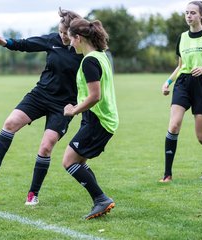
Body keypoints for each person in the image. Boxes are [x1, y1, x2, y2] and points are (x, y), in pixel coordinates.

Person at [0, 8, 83, 205]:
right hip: (40, 95)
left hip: (64, 105)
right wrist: (8, 43)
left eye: (65, 33)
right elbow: (28, 44)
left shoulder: (84, 50)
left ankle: (33, 194)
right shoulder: (53, 40)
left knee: (46, 146)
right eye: (59, 32)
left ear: (75, 33)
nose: (61, 36)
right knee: (10, 123)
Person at [63, 18, 118, 220]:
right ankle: (99, 200)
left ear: (79, 38)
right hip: (98, 118)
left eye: (71, 39)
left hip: (99, 120)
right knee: (78, 161)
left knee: (68, 161)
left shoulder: (90, 61)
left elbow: (95, 96)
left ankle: (101, 199)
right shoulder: (100, 55)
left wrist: (73, 111)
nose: (70, 44)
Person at [160, 1, 202, 182]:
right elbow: (180, 66)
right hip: (184, 84)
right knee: (174, 125)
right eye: (186, 13)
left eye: (193, 13)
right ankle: (167, 174)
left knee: (201, 137)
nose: (189, 16)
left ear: (201, 15)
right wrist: (168, 82)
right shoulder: (182, 37)